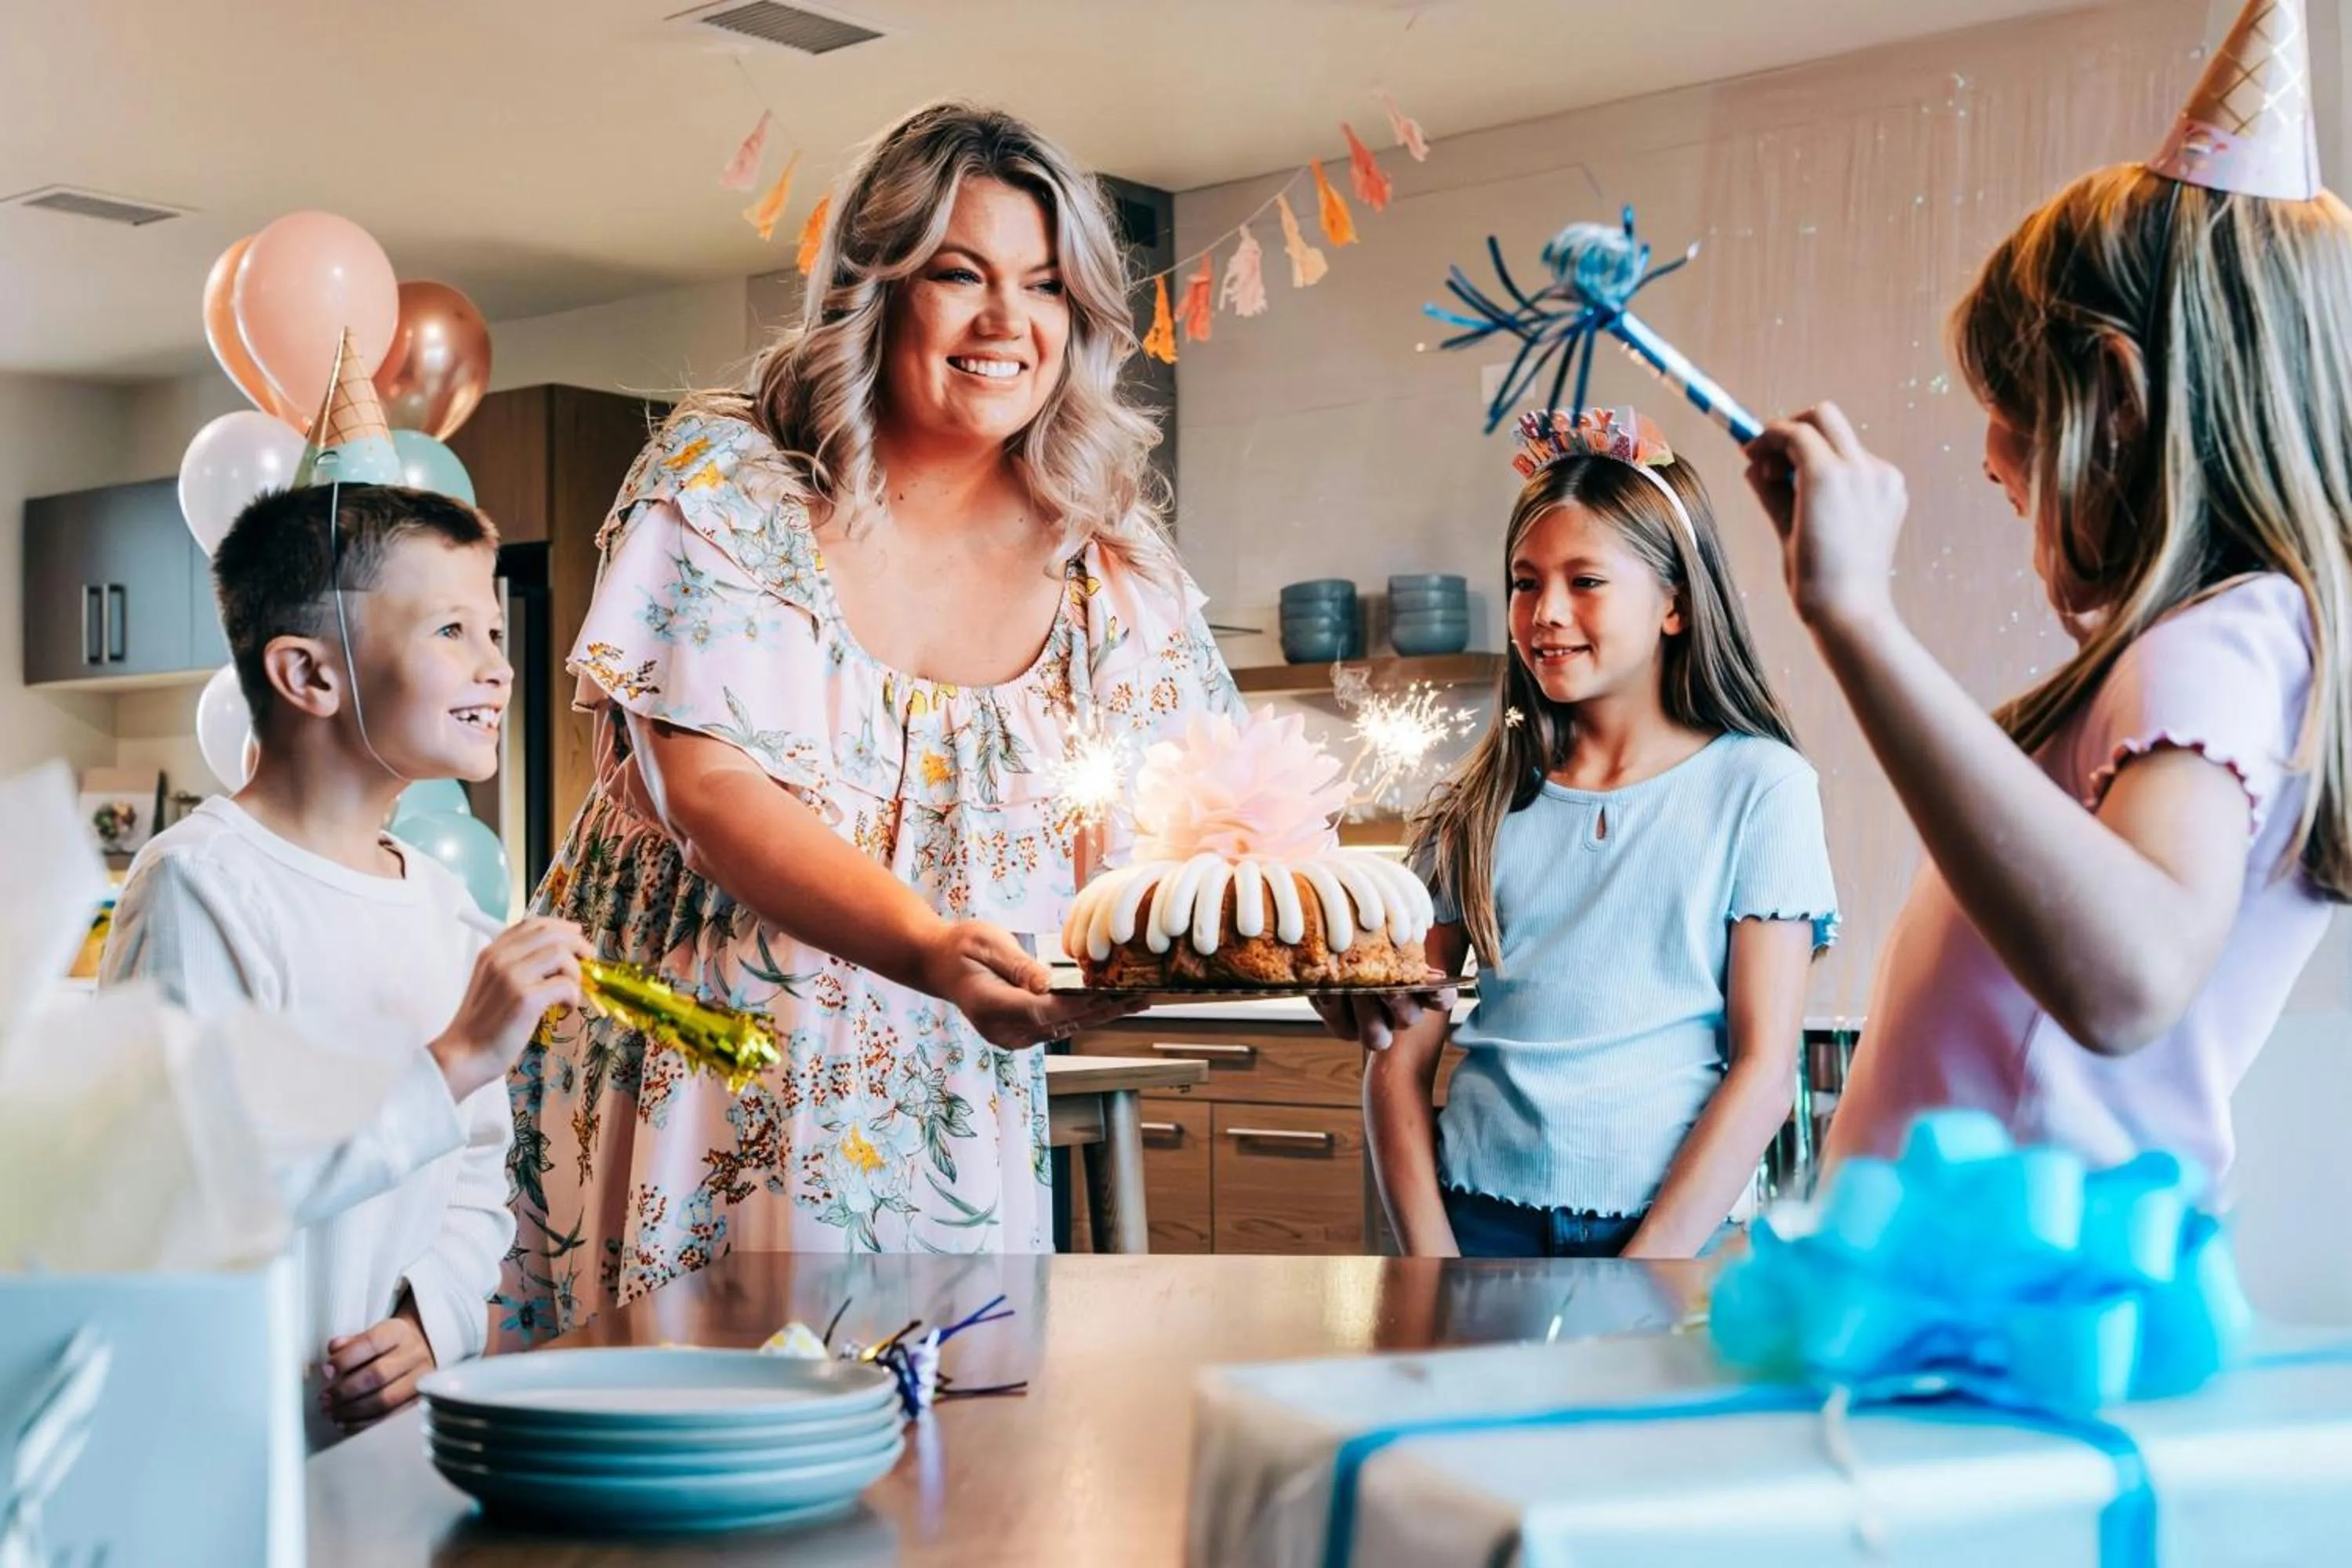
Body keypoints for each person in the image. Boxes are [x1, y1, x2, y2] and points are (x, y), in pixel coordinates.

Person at [502, 101, 1242, 1338]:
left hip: (940, 1096)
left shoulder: (1109, 562)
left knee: (931, 1477)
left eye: (1048, 286)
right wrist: (931, 951)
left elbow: (1204, 821)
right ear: (875, 286)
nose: (1009, 323)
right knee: (673, 1460)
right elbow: (711, 793)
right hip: (696, 1059)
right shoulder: (730, 484)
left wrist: (1316, 953)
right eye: (962, 274)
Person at [1746, 0, 2351, 1190]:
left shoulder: (2217, 644)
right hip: (1982, 1281)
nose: (1995, 462)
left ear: (2114, 405)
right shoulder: (2234, 644)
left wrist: (1857, 620)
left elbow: (2126, 982)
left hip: (2003, 1300)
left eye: (2013, 438)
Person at [103, 481, 588, 1443]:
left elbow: (477, 1172)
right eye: (454, 629)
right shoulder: (201, 886)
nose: (498, 668)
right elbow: (193, 1197)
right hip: (229, 1449)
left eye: (495, 632)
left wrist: (432, 1317)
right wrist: (453, 1059)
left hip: (385, 1452)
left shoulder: (445, 907)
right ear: (309, 675)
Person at [1334, 408, 1835, 1258]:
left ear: (1675, 603)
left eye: (1586, 581)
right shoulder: (1476, 804)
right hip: (1478, 1220)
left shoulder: (1762, 789)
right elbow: (1397, 1062)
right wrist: (1433, 1261)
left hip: (1676, 1235)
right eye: (1526, 582)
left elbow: (1762, 1073)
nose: (1545, 612)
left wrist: (1647, 1269)